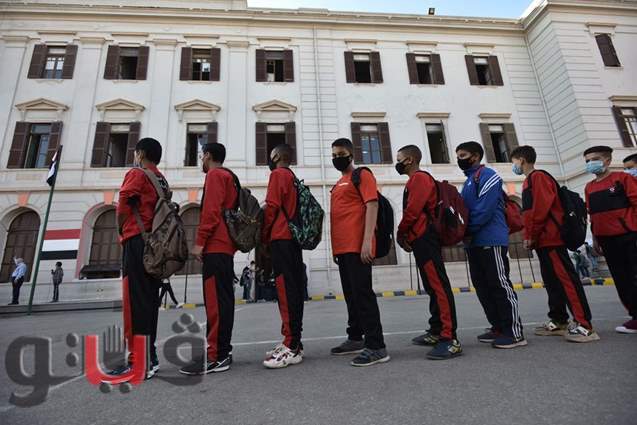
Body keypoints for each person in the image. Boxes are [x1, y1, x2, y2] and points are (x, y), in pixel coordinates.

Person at [511, 145, 599, 342]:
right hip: (542, 240)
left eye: (514, 161)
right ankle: (559, 320)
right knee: (552, 282)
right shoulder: (529, 181)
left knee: (566, 280)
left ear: (521, 160)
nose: (514, 165)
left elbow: (540, 209)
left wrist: (531, 235)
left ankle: (585, 325)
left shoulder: (538, 177)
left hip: (551, 238)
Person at [456, 141, 526, 349]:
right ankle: (498, 326)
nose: (459, 159)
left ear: (476, 156)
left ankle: (514, 332)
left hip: (490, 239)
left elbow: (484, 210)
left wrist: (466, 231)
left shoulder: (488, 175)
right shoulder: (468, 181)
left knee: (499, 284)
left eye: (463, 155)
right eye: (458, 155)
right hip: (474, 243)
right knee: (483, 286)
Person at [396, 145, 462, 360]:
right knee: (432, 286)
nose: (397, 163)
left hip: (425, 238)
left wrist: (401, 233)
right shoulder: (414, 180)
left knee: (438, 285)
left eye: (400, 159)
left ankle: (449, 338)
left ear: (410, 160)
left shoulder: (419, 179)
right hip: (420, 239)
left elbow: (413, 210)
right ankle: (436, 330)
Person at [329, 138, 390, 367]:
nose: (337, 158)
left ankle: (376, 346)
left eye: (341, 154)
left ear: (351, 154)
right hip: (343, 248)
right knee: (351, 295)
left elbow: (372, 205)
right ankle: (355, 337)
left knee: (363, 295)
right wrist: (335, 249)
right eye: (334, 155)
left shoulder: (362, 175)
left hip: (358, 246)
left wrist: (367, 242)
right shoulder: (339, 183)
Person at [110, 137, 167, 379]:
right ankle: (149, 357)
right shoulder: (161, 179)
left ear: (140, 153)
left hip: (136, 241)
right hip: (155, 246)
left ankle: (138, 362)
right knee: (149, 303)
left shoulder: (137, 174)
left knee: (134, 304)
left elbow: (124, 203)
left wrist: (121, 230)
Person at [180, 142, 237, 375]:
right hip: (226, 247)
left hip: (216, 245)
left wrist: (200, 243)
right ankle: (223, 350)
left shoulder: (215, 175)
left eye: (202, 155)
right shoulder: (230, 177)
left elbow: (211, 212)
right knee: (223, 301)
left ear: (209, 156)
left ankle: (216, 355)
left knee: (215, 303)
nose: (201, 160)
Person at [261, 144, 306, 369]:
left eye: (271, 156)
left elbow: (271, 207)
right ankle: (294, 340)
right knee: (293, 290)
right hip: (292, 239)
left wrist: (263, 235)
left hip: (281, 237)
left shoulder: (278, 174)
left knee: (285, 291)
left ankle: (291, 344)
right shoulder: (293, 178)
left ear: (277, 156)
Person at [584, 145, 637, 334]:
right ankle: (635, 316)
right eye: (587, 161)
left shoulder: (623, 179)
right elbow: (592, 215)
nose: (591, 163)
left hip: (629, 235)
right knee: (622, 279)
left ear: (607, 160)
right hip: (606, 239)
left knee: (635, 276)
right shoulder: (589, 187)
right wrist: (596, 238)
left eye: (595, 159)